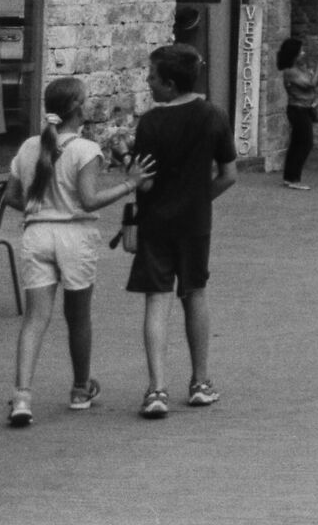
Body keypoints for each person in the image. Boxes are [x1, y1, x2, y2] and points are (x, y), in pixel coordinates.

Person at [3, 76, 155, 426]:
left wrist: (40, 206)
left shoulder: (29, 147)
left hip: (37, 233)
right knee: (78, 316)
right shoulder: (86, 150)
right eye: (86, 101)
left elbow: (12, 197)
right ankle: (80, 387)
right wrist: (129, 183)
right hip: (75, 235)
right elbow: (88, 199)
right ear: (76, 109)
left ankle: (22, 396)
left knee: (34, 319)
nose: (89, 106)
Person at [127, 43, 237, 420]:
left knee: (156, 299)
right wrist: (200, 199)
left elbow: (142, 183)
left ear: (170, 84)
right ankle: (200, 382)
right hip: (195, 222)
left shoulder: (151, 123)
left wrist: (128, 170)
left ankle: (157, 388)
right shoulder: (213, 115)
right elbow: (229, 174)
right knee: (195, 294)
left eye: (153, 76)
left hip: (155, 222)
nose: (148, 81)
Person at [276, 35, 318, 190]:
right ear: (294, 54)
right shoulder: (290, 71)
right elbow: (311, 84)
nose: (303, 53)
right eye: (301, 51)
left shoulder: (299, 69)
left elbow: (313, 83)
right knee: (305, 143)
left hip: (303, 109)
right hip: (298, 111)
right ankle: (294, 179)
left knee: (297, 143)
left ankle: (289, 177)